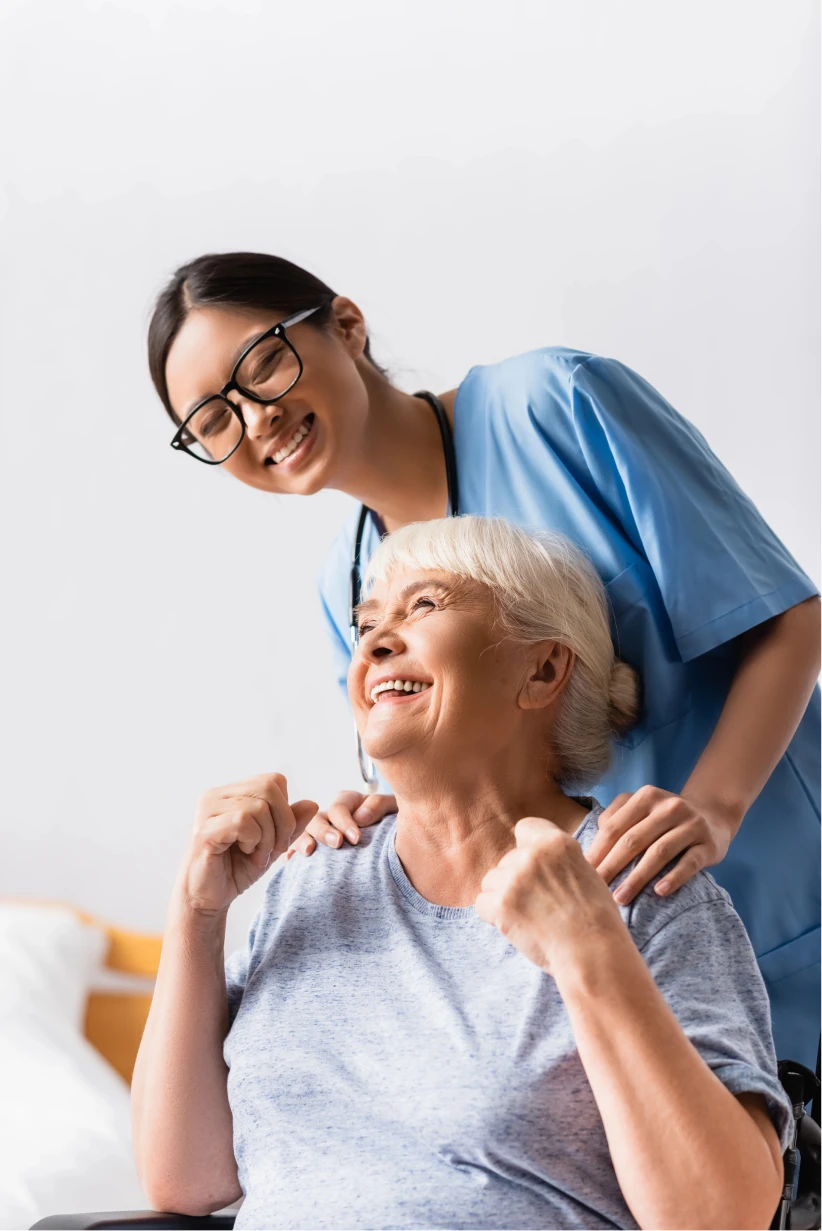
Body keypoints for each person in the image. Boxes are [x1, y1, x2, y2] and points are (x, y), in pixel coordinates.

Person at [147, 251, 822, 1067]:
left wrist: (713, 808)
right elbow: (451, 803)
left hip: (788, 891)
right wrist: (357, 815)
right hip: (619, 974)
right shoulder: (348, 587)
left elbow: (785, 613)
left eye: (261, 365)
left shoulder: (557, 405)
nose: (254, 418)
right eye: (213, 420)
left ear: (347, 326)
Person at [132, 517, 791, 1231]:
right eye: (367, 622)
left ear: (542, 670)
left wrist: (587, 949)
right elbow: (185, 1177)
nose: (376, 642)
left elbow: (725, 1216)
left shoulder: (638, 886)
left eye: (424, 605)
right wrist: (196, 915)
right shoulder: (313, 878)